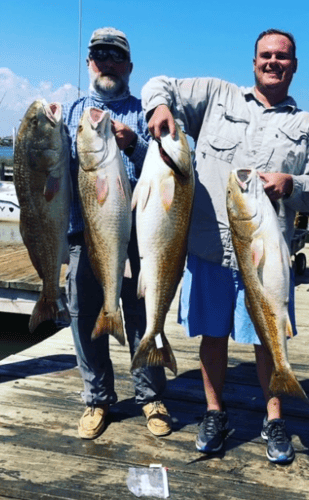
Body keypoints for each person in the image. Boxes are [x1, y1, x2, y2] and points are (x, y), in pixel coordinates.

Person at [142, 28, 309, 464]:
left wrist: (293, 183)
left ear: (294, 66)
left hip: (268, 259)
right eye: (265, 55)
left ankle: (275, 418)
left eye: (282, 57)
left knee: (268, 338)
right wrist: (161, 106)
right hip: (209, 247)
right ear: (253, 62)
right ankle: (214, 411)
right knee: (213, 335)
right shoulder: (215, 95)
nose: (273, 62)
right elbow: (158, 83)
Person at [63, 27, 171, 440]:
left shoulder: (146, 114)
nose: (107, 61)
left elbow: (167, 169)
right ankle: (97, 398)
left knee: (144, 316)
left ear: (128, 65)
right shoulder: (71, 112)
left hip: (139, 237)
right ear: (89, 62)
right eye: (99, 54)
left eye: (115, 55)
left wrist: (135, 146)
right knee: (84, 316)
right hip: (84, 234)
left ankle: (151, 396)